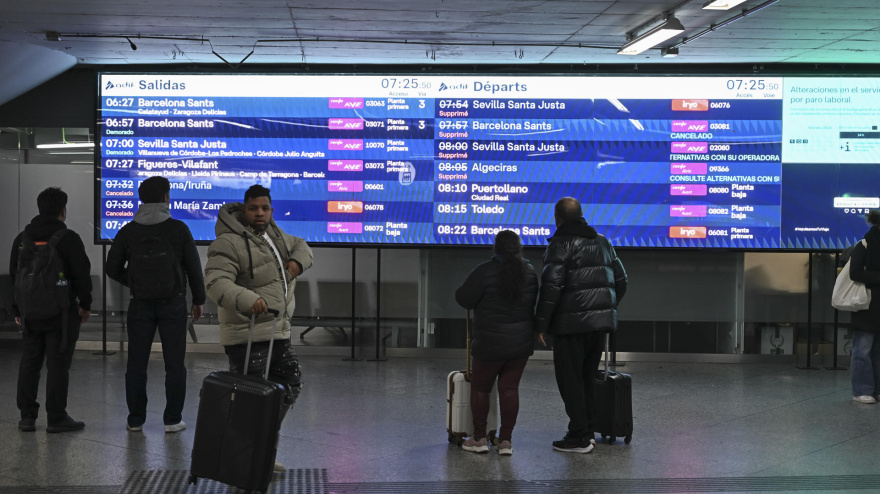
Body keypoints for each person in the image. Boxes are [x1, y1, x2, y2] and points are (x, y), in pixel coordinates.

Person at [204, 184, 313, 472]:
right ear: (244, 209)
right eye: (253, 208)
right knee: (249, 400)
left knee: (289, 385)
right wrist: (249, 299)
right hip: (247, 334)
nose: (259, 213)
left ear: (271, 210)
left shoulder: (274, 237)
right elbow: (217, 283)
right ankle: (242, 457)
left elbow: (303, 246)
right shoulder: (227, 243)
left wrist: (295, 264)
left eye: (264, 208)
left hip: (277, 330)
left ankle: (260, 445)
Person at [105, 176, 206, 432]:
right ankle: (172, 419)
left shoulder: (128, 231)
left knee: (136, 364)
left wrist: (135, 281)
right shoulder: (178, 229)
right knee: (175, 364)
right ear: (165, 198)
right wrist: (199, 300)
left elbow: (112, 267)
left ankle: (135, 419)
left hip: (139, 305)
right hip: (173, 303)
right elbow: (194, 268)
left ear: (141, 199)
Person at [535, 197, 627, 453]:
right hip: (597, 326)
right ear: (581, 215)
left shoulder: (560, 244)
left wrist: (541, 324)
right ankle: (586, 432)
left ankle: (579, 436)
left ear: (557, 219)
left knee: (570, 380)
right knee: (587, 378)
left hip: (569, 327)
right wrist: (602, 308)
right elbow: (621, 281)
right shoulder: (603, 241)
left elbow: (551, 288)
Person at [10, 187, 92, 433]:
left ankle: (27, 417)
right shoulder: (68, 238)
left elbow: (15, 277)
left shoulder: (22, 239)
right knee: (58, 365)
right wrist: (86, 305)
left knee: (30, 362)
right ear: (62, 211)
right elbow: (81, 276)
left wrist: (16, 308)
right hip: (61, 314)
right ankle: (56, 417)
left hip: (29, 314)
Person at [455, 230, 538, 456]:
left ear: (496, 248)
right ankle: (506, 441)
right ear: (519, 248)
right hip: (520, 344)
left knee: (481, 388)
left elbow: (463, 298)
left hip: (489, 344)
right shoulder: (530, 272)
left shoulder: (483, 271)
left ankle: (480, 438)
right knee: (510, 389)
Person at [848, 209, 880, 404]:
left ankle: (875, 390)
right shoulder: (866, 243)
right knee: (863, 347)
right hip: (867, 303)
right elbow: (855, 272)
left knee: (877, 349)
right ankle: (861, 390)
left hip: (875, 304)